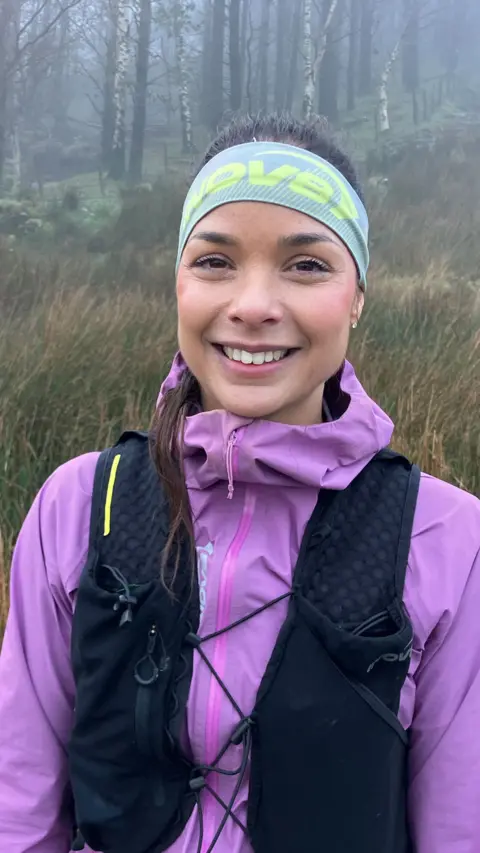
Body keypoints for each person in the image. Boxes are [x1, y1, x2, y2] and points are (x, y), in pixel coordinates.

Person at [0, 112, 479, 853]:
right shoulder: (75, 510)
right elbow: (19, 814)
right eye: (215, 261)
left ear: (358, 293)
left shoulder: (449, 541)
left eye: (307, 264)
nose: (253, 304)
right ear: (178, 283)